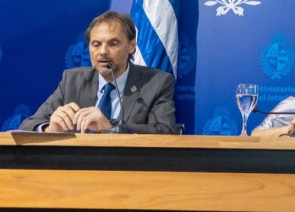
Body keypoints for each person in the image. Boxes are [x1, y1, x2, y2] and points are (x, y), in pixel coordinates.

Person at [19, 11, 177, 134]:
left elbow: (165, 132)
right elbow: (27, 126)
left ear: (131, 46)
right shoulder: (72, 81)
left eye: (113, 44)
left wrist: (110, 127)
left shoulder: (157, 82)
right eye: (96, 44)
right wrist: (49, 129)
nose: (103, 52)